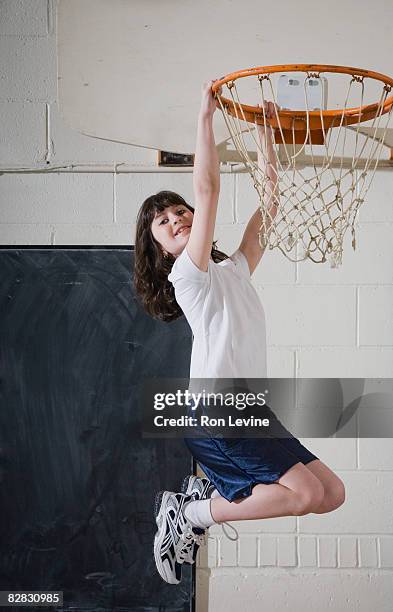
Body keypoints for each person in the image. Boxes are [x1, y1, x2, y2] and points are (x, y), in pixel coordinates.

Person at [134, 81, 346, 585]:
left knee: (331, 493)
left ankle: (196, 508)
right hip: (215, 412)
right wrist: (205, 121)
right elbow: (208, 191)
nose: (178, 218)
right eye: (164, 222)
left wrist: (266, 136)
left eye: (179, 211)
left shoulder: (232, 269)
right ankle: (192, 513)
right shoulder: (186, 275)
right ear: (162, 248)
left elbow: (270, 205)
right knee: (308, 495)